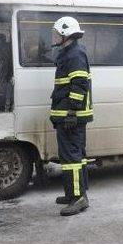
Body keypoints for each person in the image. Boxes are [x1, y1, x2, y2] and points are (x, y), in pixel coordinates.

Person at [50, 16, 93, 216]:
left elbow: (79, 85)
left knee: (72, 158)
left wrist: (71, 112)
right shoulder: (70, 52)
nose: (53, 36)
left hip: (71, 115)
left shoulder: (74, 55)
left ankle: (78, 198)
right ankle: (75, 192)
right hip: (70, 114)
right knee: (77, 156)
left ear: (65, 34)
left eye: (56, 33)